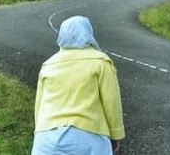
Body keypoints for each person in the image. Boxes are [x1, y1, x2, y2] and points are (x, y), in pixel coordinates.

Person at [32, 15, 125, 155]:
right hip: (88, 138)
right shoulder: (101, 61)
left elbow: (39, 105)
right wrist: (116, 134)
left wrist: (38, 131)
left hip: (46, 138)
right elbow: (112, 102)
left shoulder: (48, 65)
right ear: (89, 34)